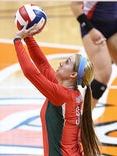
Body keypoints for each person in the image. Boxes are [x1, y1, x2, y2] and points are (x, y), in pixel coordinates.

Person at [13, 24, 101, 156]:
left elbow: (30, 72)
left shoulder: (62, 95)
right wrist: (28, 37)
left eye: (66, 62)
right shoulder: (68, 92)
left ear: (73, 75)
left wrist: (18, 41)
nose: (61, 63)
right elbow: (43, 64)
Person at [70, 2, 117, 109]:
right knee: (103, 75)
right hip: (93, 26)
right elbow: (75, 5)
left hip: (114, 25)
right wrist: (90, 30)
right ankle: (80, 121)